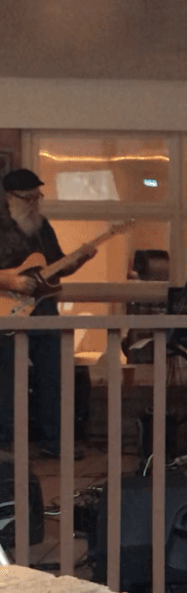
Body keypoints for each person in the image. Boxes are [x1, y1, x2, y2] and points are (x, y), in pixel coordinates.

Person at [0, 169, 97, 457]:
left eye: (37, 197)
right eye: (28, 198)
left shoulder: (43, 227)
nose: (34, 203)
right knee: (5, 381)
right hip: (6, 313)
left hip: (43, 310)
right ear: (9, 197)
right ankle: (5, 444)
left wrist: (78, 260)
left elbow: (56, 267)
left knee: (53, 377)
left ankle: (54, 441)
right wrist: (9, 281)